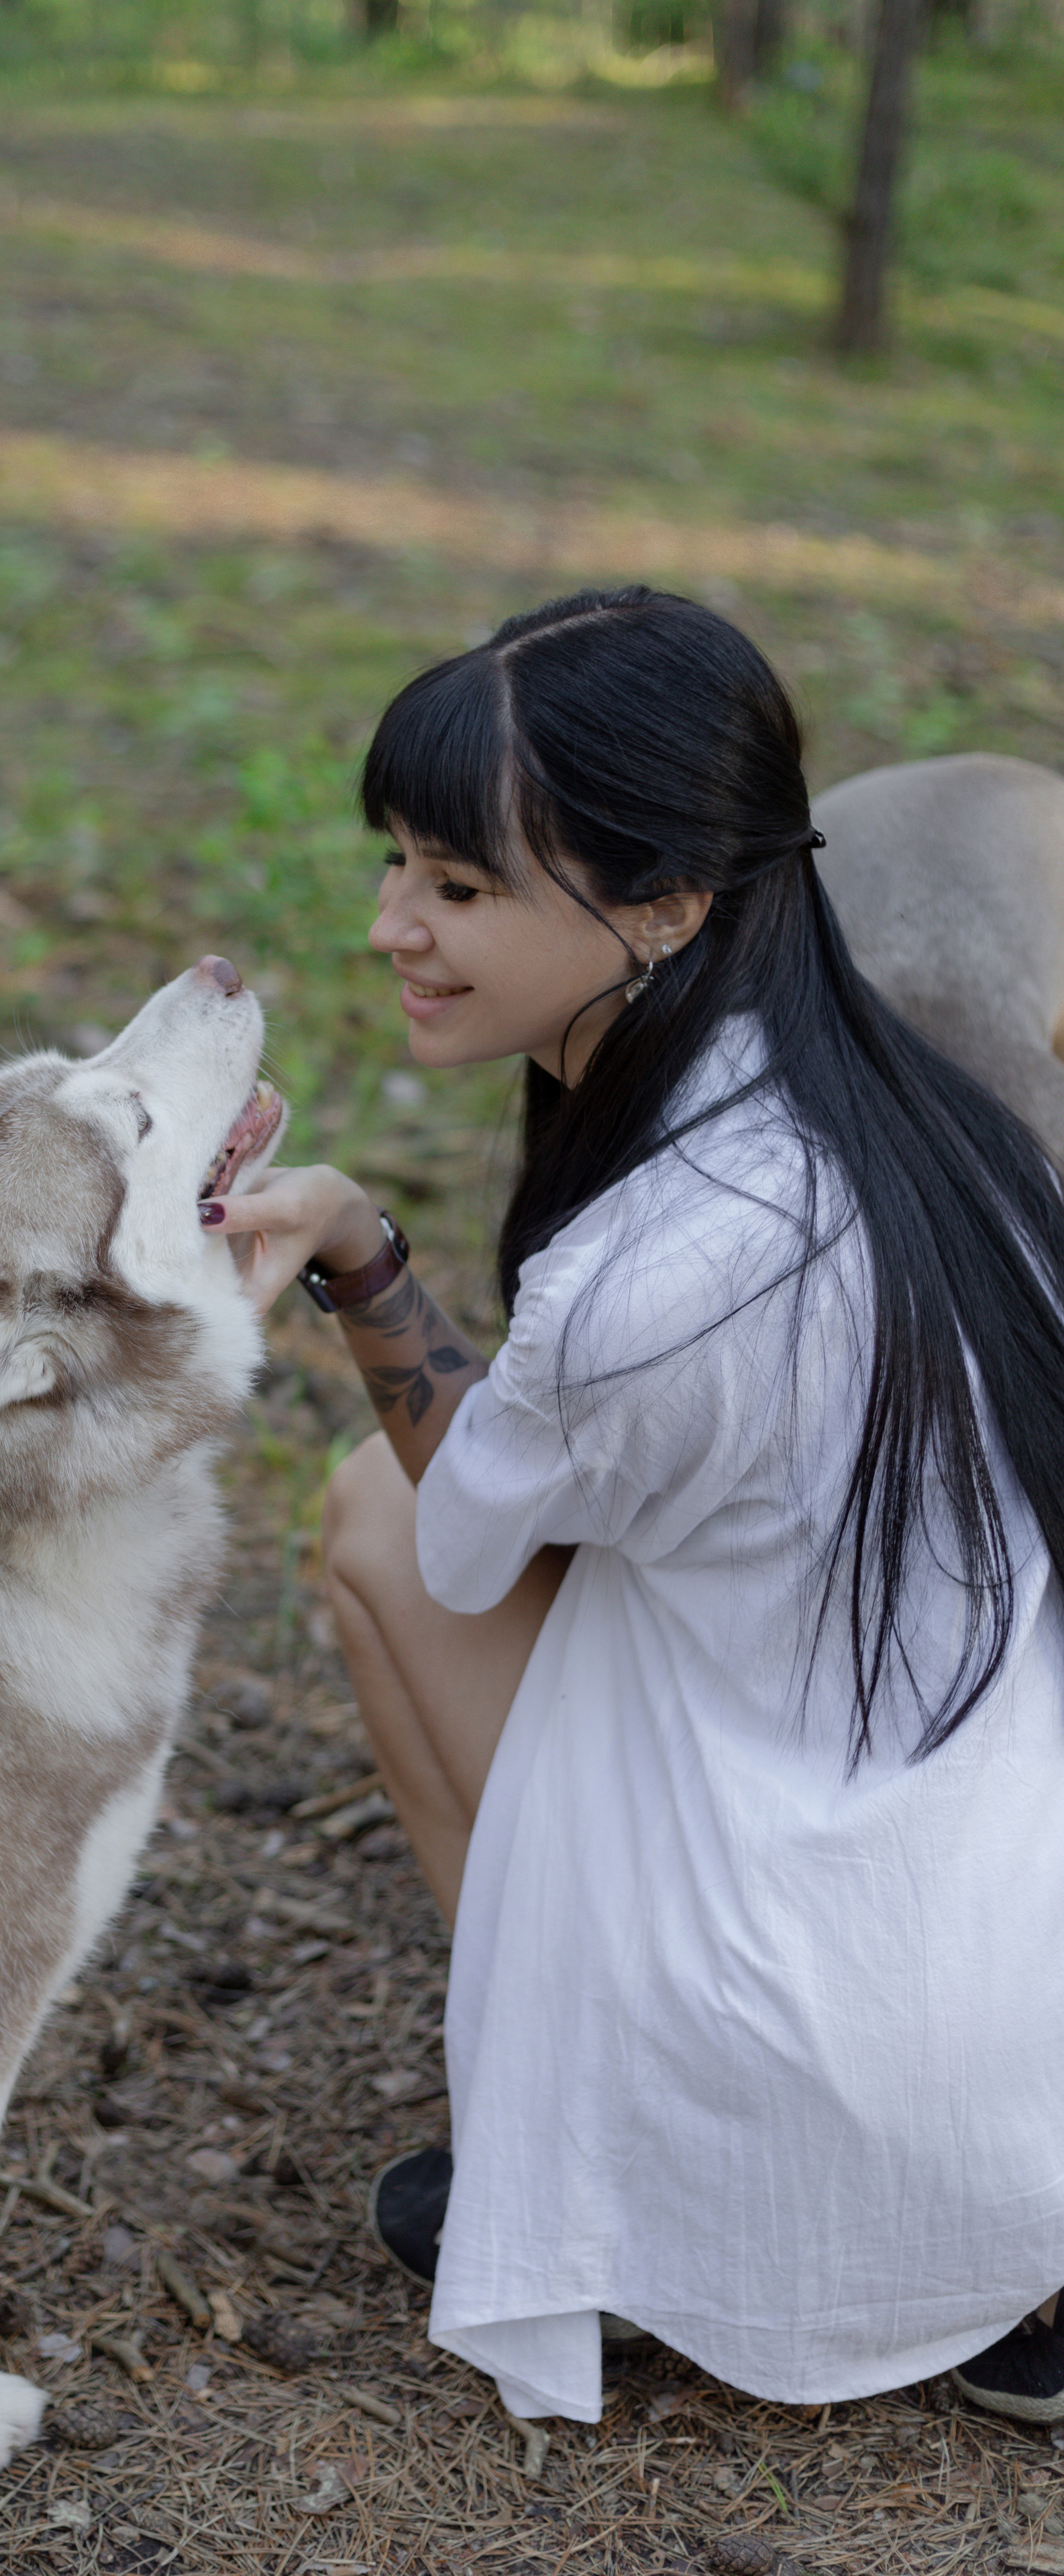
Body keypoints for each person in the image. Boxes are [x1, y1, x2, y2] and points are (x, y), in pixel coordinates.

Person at [203, 586, 1064, 2432]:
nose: (390, 928)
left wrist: (358, 1268)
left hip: (878, 2034)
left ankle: (612, 2168)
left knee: (375, 1525)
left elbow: (476, 1530)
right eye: (398, 866)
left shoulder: (673, 1263)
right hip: (1002, 1935)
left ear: (667, 903)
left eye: (460, 884)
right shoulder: (899, 1113)